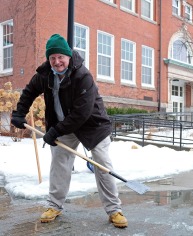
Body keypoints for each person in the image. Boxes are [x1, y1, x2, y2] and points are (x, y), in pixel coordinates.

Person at [11, 34, 128, 228]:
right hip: (62, 125)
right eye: (52, 58)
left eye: (60, 57)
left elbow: (81, 113)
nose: (57, 62)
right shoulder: (44, 74)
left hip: (93, 126)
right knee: (59, 164)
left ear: (68, 56)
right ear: (48, 59)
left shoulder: (82, 76)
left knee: (102, 164)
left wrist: (55, 131)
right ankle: (54, 205)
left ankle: (114, 209)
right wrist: (19, 113)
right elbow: (29, 92)